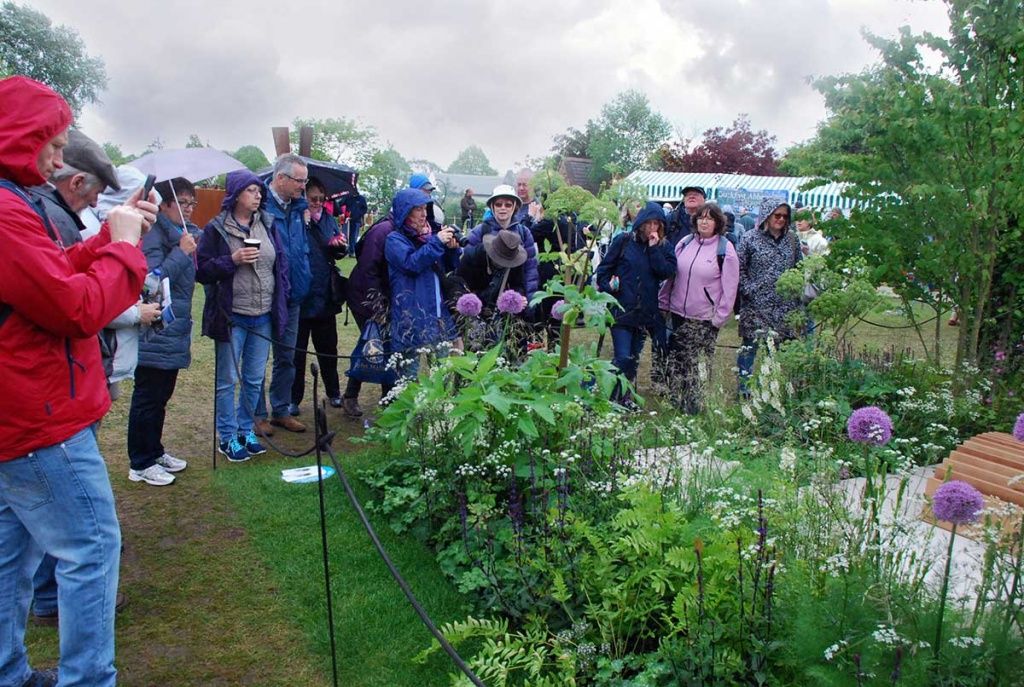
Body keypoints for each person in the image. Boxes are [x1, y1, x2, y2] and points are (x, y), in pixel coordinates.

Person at [0, 75, 155, 687]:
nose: (61, 158)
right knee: (90, 549)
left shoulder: (13, 206)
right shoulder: (8, 212)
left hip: (19, 412)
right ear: (20, 137)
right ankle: (89, 679)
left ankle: (9, 671)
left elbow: (43, 280)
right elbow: (73, 310)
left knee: (12, 553)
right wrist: (122, 251)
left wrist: (104, 246)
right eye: (53, 143)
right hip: (40, 415)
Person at [196, 170, 290, 462]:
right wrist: (232, 260)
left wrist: (281, 298)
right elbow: (202, 271)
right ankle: (227, 437)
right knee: (227, 379)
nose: (258, 195)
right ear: (236, 194)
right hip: (232, 315)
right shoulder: (216, 229)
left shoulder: (268, 223)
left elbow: (279, 264)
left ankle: (245, 429)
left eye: (259, 191)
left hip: (262, 314)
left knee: (253, 379)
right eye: (251, 190)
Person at [125, 177, 199, 486]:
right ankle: (139, 462)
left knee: (161, 396)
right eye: (183, 203)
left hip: (174, 328)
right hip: (155, 330)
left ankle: (154, 451)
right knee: (147, 397)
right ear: (164, 204)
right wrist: (181, 253)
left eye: (192, 203)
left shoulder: (181, 233)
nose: (189, 209)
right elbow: (152, 281)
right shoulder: (154, 234)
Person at [595, 201, 677, 407]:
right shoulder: (623, 241)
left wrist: (653, 249)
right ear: (640, 223)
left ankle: (623, 397)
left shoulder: (664, 247)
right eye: (648, 223)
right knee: (622, 356)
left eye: (657, 224)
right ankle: (610, 395)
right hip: (622, 310)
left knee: (633, 359)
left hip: (645, 313)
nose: (652, 228)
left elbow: (666, 271)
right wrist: (610, 286)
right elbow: (603, 271)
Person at [659, 203, 739, 413]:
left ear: (718, 222)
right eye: (701, 217)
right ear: (695, 221)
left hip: (704, 317)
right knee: (678, 360)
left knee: (698, 363)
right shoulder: (685, 243)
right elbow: (671, 276)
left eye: (710, 218)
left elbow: (730, 289)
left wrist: (718, 318)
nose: (704, 221)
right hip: (678, 313)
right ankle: (677, 400)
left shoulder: (725, 250)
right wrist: (664, 302)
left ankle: (695, 405)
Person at [254, 154, 310, 435]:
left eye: (305, 180)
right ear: (280, 179)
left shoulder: (299, 208)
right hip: (266, 294)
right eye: (299, 180)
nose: (304, 186)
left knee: (287, 356)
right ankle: (257, 415)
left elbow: (299, 250)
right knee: (258, 357)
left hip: (294, 295)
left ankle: (281, 409)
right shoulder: (259, 206)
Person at [385, 188, 461, 380]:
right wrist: (436, 242)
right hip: (411, 317)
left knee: (443, 375)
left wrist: (452, 249)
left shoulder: (428, 237)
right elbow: (412, 263)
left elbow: (448, 268)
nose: (424, 213)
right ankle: (409, 410)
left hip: (437, 316)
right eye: (417, 209)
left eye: (425, 208)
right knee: (409, 378)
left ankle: (441, 409)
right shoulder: (394, 240)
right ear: (404, 212)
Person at [290, 178, 347, 413]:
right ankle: (293, 399)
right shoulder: (294, 218)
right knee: (297, 353)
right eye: (313, 198)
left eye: (321, 199)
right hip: (301, 294)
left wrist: (340, 246)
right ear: (303, 197)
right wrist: (303, 224)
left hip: (324, 294)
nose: (317, 203)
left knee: (328, 350)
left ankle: (333, 392)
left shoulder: (329, 220)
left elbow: (338, 251)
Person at [736, 197, 803, 396]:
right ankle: (744, 391)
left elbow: (799, 266)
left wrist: (796, 289)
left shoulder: (792, 239)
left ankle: (775, 390)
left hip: (784, 306)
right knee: (749, 350)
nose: (781, 219)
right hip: (756, 306)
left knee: (779, 352)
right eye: (777, 215)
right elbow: (738, 268)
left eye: (785, 216)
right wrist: (748, 289)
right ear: (766, 214)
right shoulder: (750, 238)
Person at [464, 184, 540, 301]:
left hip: (513, 300)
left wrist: (530, 301)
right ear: (492, 207)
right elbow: (467, 260)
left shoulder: (524, 233)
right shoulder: (480, 231)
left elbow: (530, 269)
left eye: (508, 204)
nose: (502, 208)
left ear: (514, 207)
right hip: (483, 298)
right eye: (498, 204)